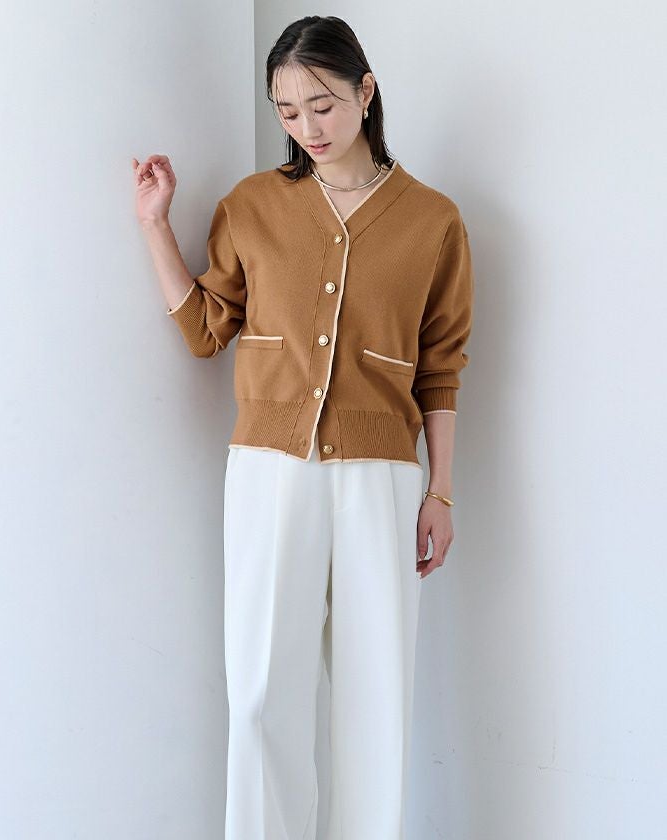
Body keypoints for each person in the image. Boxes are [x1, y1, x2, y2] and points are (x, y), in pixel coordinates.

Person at [132, 15, 474, 840]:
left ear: (366, 91)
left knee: (375, 699)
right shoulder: (252, 205)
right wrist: (154, 225)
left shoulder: (433, 221)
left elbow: (440, 366)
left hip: (382, 478)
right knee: (259, 695)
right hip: (268, 471)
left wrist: (441, 491)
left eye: (322, 105)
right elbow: (207, 330)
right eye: (287, 111)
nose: (307, 128)